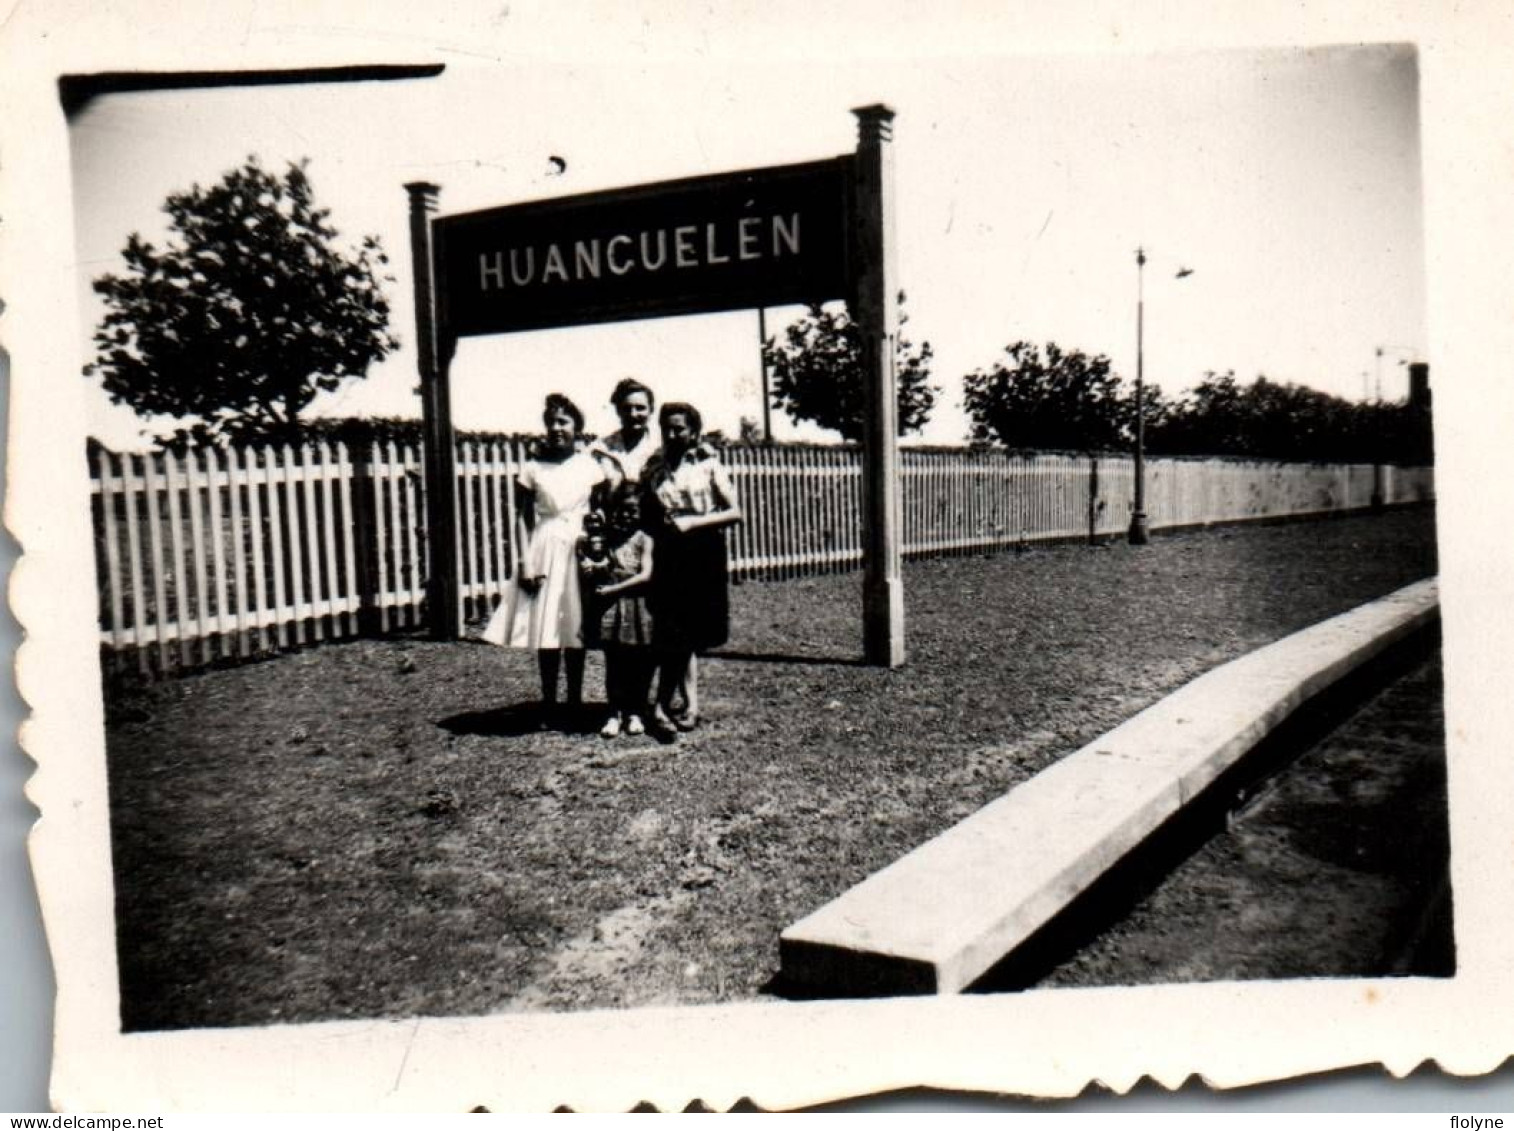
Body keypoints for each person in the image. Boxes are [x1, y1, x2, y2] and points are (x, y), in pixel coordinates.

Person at [482, 393, 610, 725]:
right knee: (548, 628)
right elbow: (522, 519)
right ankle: (550, 702)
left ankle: (576, 702)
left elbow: (599, 512)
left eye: (564, 422)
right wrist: (526, 562)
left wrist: (596, 550)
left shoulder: (589, 466)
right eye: (551, 422)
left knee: (575, 626)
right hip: (545, 546)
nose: (556, 428)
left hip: (579, 548)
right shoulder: (533, 467)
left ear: (577, 428)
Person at [641, 401, 742, 736]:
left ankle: (665, 704)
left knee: (689, 632)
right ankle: (683, 705)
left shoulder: (709, 464)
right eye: (666, 428)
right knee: (673, 629)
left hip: (703, 552)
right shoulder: (654, 467)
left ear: (694, 431)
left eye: (679, 428)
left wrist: (693, 522)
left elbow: (734, 512)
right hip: (669, 553)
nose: (672, 434)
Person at [580, 483, 656, 738]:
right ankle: (614, 713)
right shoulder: (609, 538)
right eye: (623, 510)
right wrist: (593, 565)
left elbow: (645, 576)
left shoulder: (645, 540)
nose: (627, 516)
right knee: (614, 662)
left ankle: (636, 711)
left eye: (633, 511)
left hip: (637, 606)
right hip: (613, 610)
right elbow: (603, 563)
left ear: (641, 513)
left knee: (638, 662)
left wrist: (615, 589)